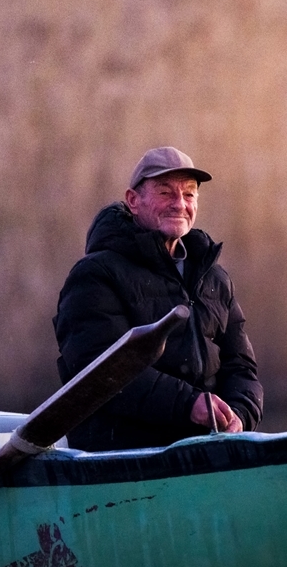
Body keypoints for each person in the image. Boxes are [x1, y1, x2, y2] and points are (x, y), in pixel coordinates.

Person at [53, 147, 263, 450]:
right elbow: (101, 372)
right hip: (123, 462)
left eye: (189, 195)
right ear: (133, 201)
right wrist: (189, 405)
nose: (179, 204)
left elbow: (242, 369)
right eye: (166, 193)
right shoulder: (95, 275)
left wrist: (239, 416)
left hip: (210, 455)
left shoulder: (215, 279)